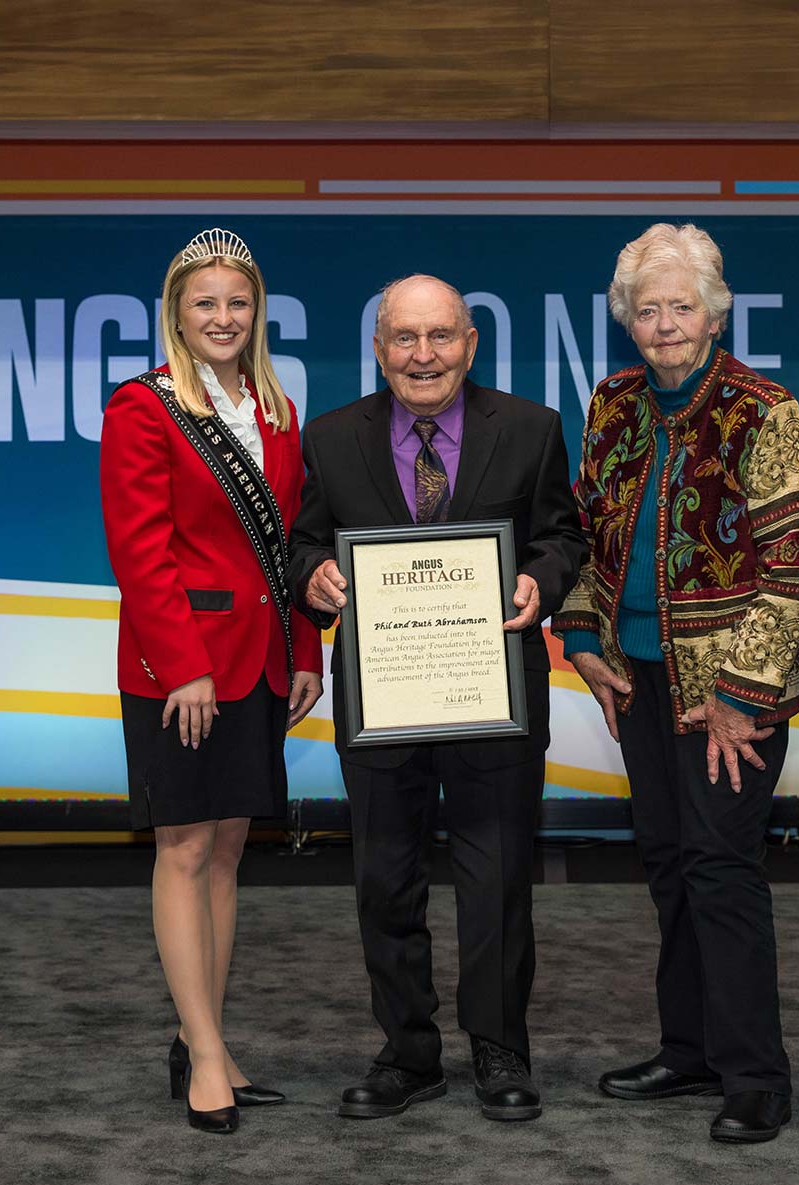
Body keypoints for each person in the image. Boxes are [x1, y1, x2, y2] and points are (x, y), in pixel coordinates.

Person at [290, 274, 585, 1122]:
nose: (424, 356)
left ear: (471, 343)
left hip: (493, 689)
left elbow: (563, 534)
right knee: (385, 877)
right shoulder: (332, 438)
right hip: (380, 696)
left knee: (496, 878)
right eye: (405, 339)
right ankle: (408, 1054)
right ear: (379, 348)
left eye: (441, 337)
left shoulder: (531, 430)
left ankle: (500, 1049)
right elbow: (305, 540)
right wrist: (312, 574)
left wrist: (539, 580)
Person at [555, 223, 799, 1146]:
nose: (665, 323)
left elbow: (794, 566)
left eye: (681, 305)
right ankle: (688, 1048)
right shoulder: (614, 403)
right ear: (627, 320)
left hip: (727, 697)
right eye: (647, 308)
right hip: (636, 683)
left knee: (720, 869)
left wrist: (745, 691)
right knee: (668, 866)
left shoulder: (761, 407)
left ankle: (756, 1076)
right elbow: (588, 538)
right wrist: (580, 635)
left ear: (714, 312)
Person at [98, 228, 323, 1135]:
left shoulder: (273, 408)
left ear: (255, 311)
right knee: (183, 850)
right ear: (176, 313)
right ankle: (202, 1055)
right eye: (206, 304)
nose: (223, 318)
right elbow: (140, 555)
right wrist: (182, 668)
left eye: (237, 303)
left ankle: (210, 1040)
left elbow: (293, 543)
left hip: (261, 660)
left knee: (228, 854)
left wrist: (306, 648)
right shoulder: (141, 409)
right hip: (180, 672)